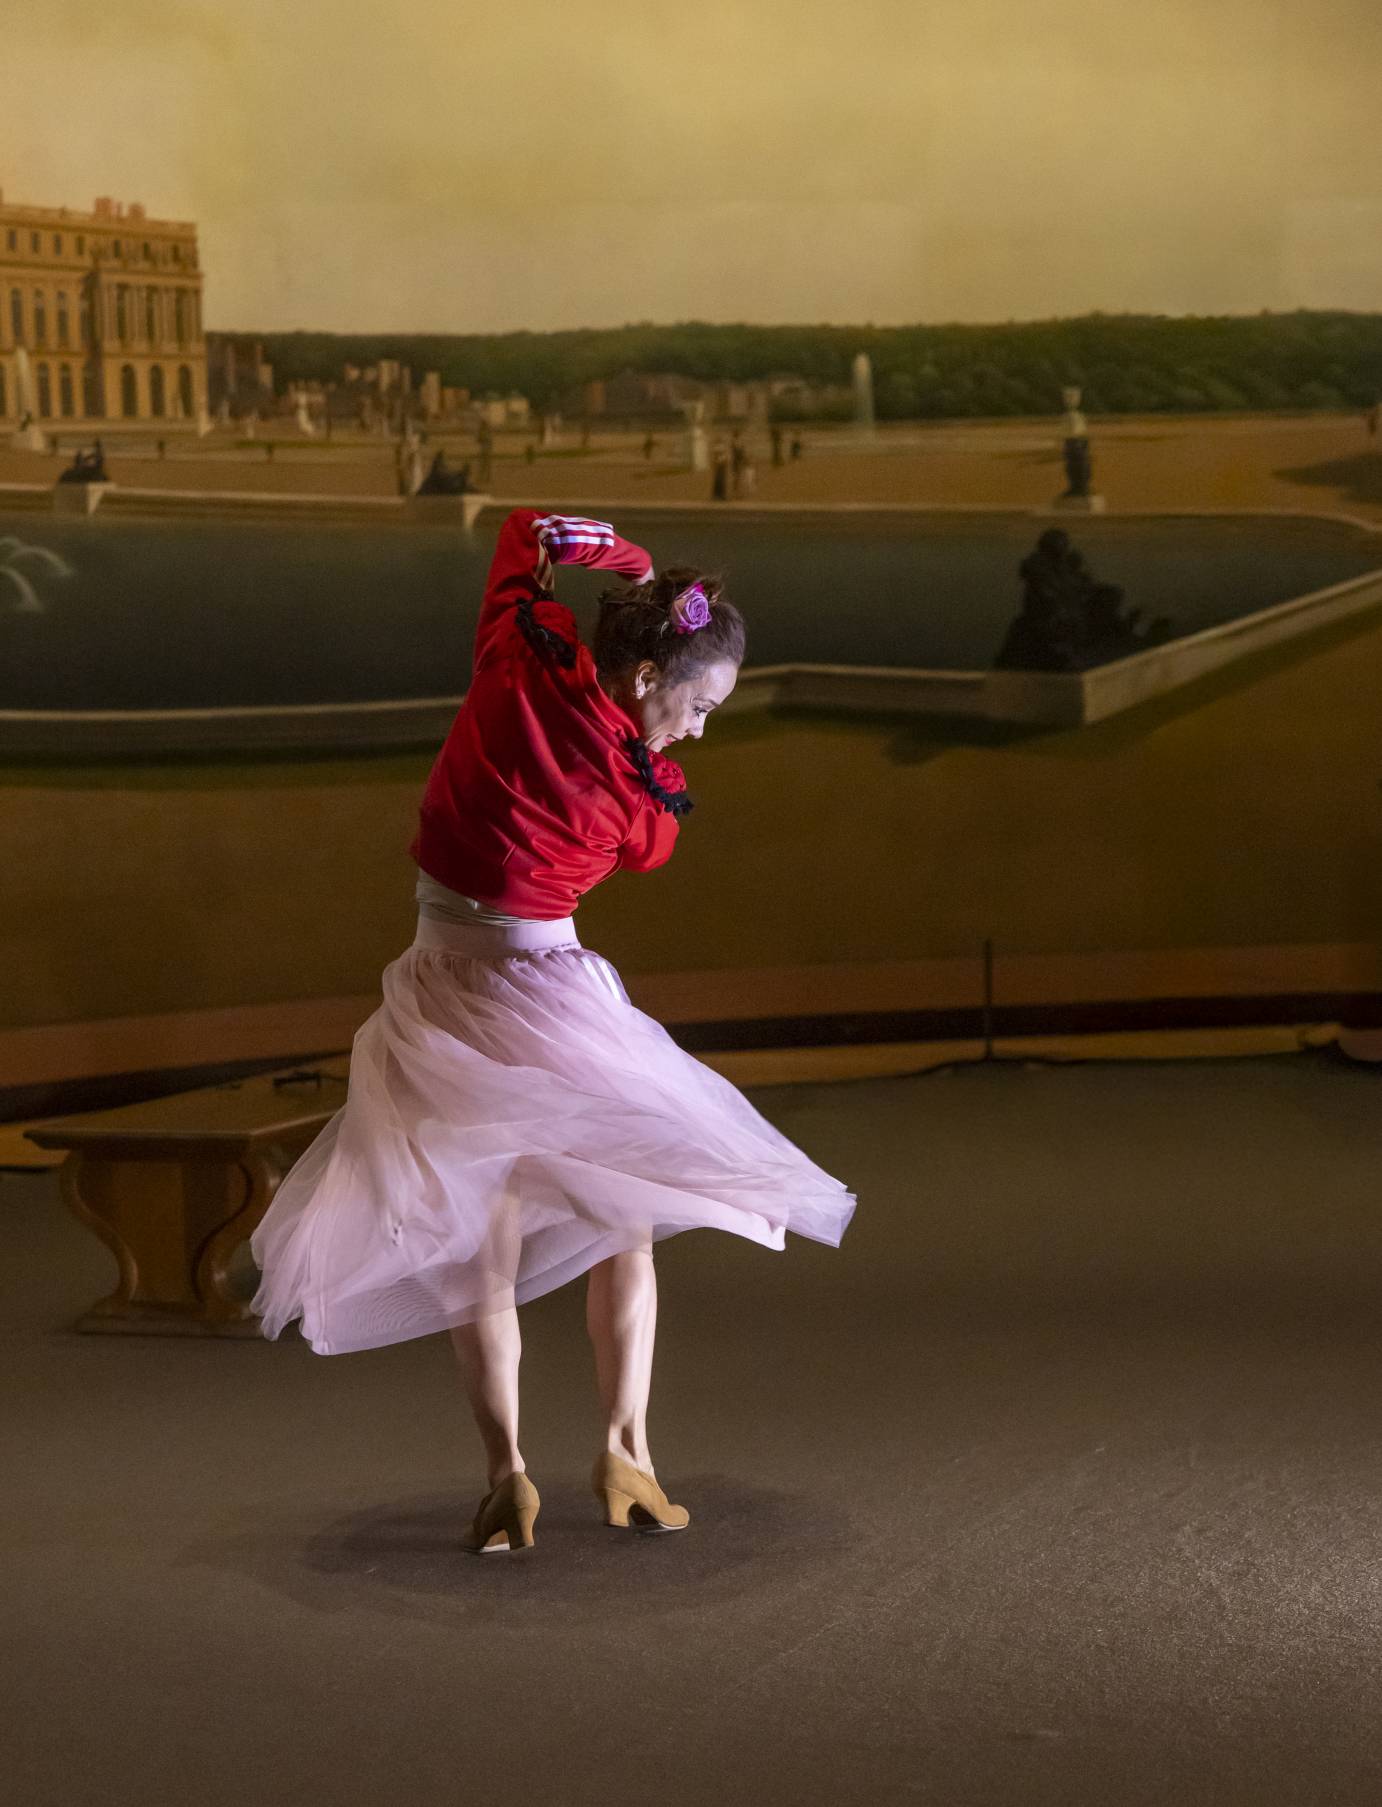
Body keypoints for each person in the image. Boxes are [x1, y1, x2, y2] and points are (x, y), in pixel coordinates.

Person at [251, 510, 856, 1554]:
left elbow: (524, 536)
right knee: (623, 1218)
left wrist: (625, 563)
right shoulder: (631, 794)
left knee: (474, 1241)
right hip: (544, 993)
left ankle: (505, 1478)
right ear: (644, 680)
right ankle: (626, 1451)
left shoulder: (513, 654)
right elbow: (652, 846)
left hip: (437, 991)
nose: (701, 728)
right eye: (700, 703)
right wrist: (650, 756)